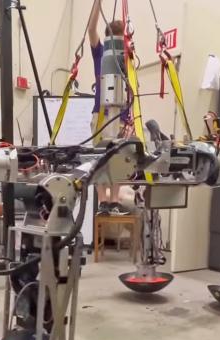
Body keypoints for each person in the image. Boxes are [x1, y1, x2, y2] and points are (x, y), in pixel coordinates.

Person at [88, 0, 129, 216]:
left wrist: (129, 119)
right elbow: (91, 28)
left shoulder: (127, 57)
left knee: (121, 158)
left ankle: (114, 200)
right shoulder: (100, 52)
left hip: (122, 114)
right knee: (98, 157)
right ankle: (103, 200)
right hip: (102, 114)